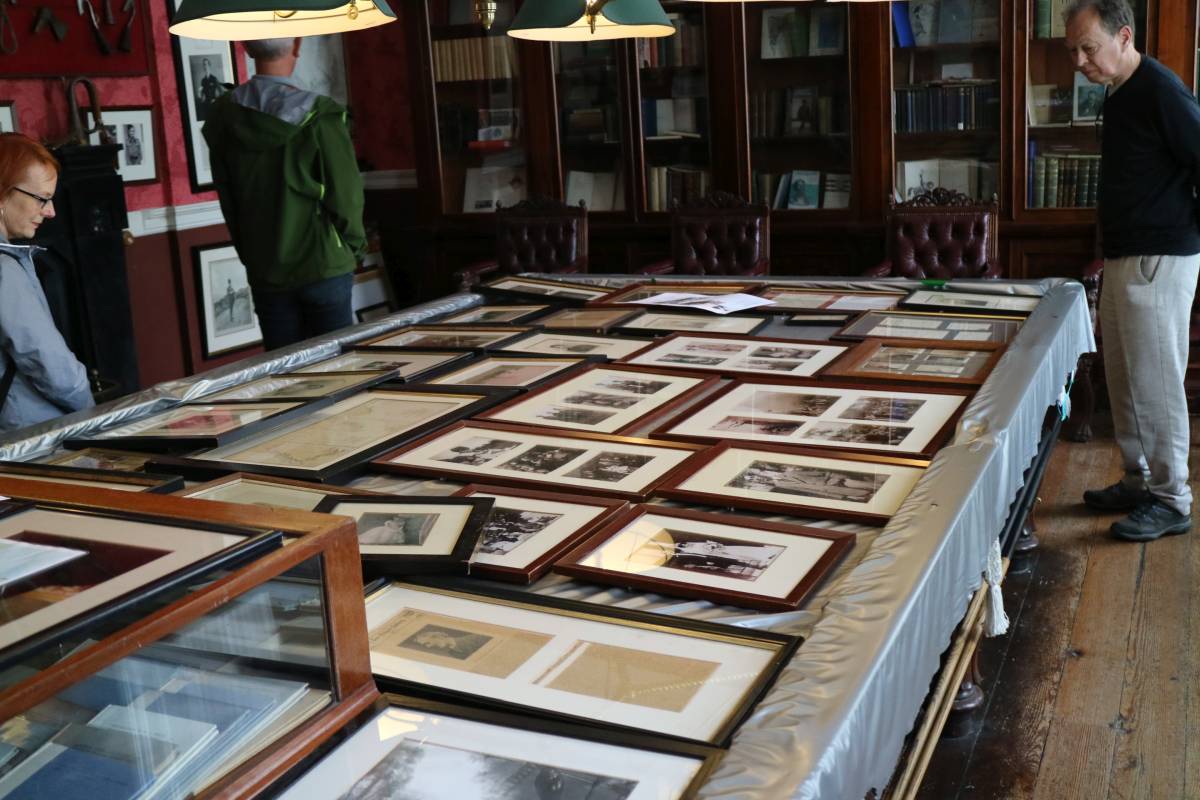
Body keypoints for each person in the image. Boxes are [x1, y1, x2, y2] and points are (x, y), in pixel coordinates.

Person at [1066, 0, 1200, 541]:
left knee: (1156, 383)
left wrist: (1180, 230)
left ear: (1124, 37)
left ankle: (1172, 499)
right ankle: (1137, 480)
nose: (1079, 61)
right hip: (1125, 255)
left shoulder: (1161, 90)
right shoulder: (1119, 90)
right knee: (1123, 377)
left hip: (1159, 257)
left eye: (1088, 48)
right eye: (1073, 50)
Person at [203, 37, 365, 352]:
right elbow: (347, 198)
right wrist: (352, 251)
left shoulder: (223, 118)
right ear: (297, 45)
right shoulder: (322, 116)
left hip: (266, 269)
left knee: (284, 372)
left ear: (246, 47)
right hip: (324, 264)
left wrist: (253, 259)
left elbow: (230, 203)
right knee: (339, 369)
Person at [0, 133, 94, 433]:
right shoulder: (4, 271)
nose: (50, 211)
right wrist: (93, 414)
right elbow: (50, 364)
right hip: (29, 434)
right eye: (41, 198)